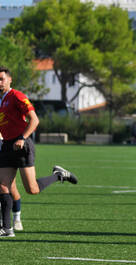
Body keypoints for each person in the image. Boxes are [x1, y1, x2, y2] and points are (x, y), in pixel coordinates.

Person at [0, 66, 78, 238]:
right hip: (7, 146)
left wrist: (22, 138)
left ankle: (58, 175)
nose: (0, 82)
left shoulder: (17, 96)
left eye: (2, 79)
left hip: (22, 145)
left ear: (9, 79)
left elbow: (35, 120)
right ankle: (7, 228)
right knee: (3, 185)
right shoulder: (1, 100)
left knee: (32, 189)